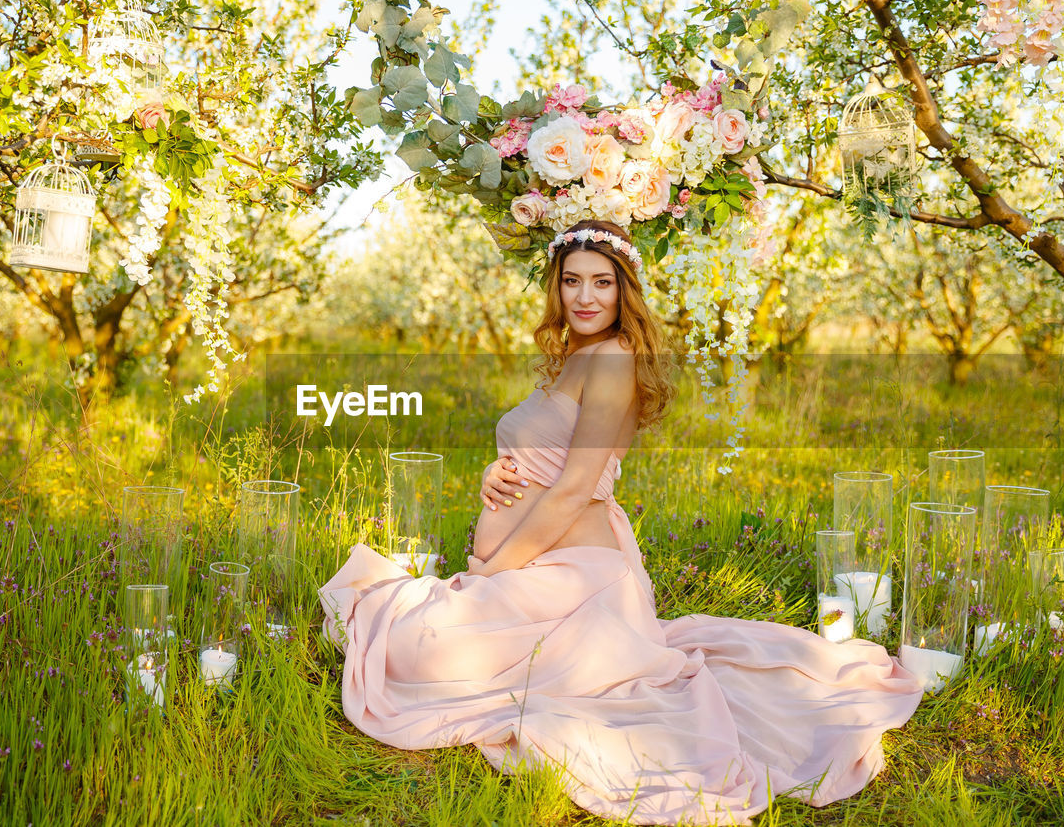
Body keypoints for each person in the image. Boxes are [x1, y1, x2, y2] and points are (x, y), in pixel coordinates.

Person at [319, 220, 922, 826]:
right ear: (555, 286)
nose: (585, 297)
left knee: (418, 655)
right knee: (415, 648)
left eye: (602, 283)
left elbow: (577, 488)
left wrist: (487, 571)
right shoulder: (580, 356)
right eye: (572, 281)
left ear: (623, 289)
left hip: (577, 578)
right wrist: (495, 477)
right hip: (541, 566)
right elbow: (546, 458)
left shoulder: (612, 359)